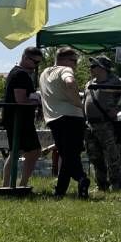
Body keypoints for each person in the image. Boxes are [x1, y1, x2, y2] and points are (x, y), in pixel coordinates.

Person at [39, 48, 91, 198]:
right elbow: (70, 81)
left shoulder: (44, 73)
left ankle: (60, 191)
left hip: (54, 119)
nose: (75, 65)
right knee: (70, 155)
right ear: (63, 59)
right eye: (74, 61)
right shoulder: (65, 70)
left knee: (67, 155)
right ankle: (81, 178)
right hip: (72, 116)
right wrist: (77, 102)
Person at [84, 56, 121, 192]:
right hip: (90, 125)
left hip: (107, 124)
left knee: (112, 156)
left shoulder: (117, 82)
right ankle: (101, 185)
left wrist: (118, 109)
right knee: (95, 156)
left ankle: (117, 184)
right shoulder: (89, 83)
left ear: (102, 68)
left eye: (93, 66)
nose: (90, 69)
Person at [0, 47, 45, 189]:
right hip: (19, 119)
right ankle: (20, 185)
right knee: (33, 151)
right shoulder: (20, 75)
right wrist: (36, 101)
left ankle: (7, 186)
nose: (36, 66)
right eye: (35, 62)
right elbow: (20, 99)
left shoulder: (17, 72)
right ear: (25, 58)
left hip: (17, 119)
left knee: (16, 152)